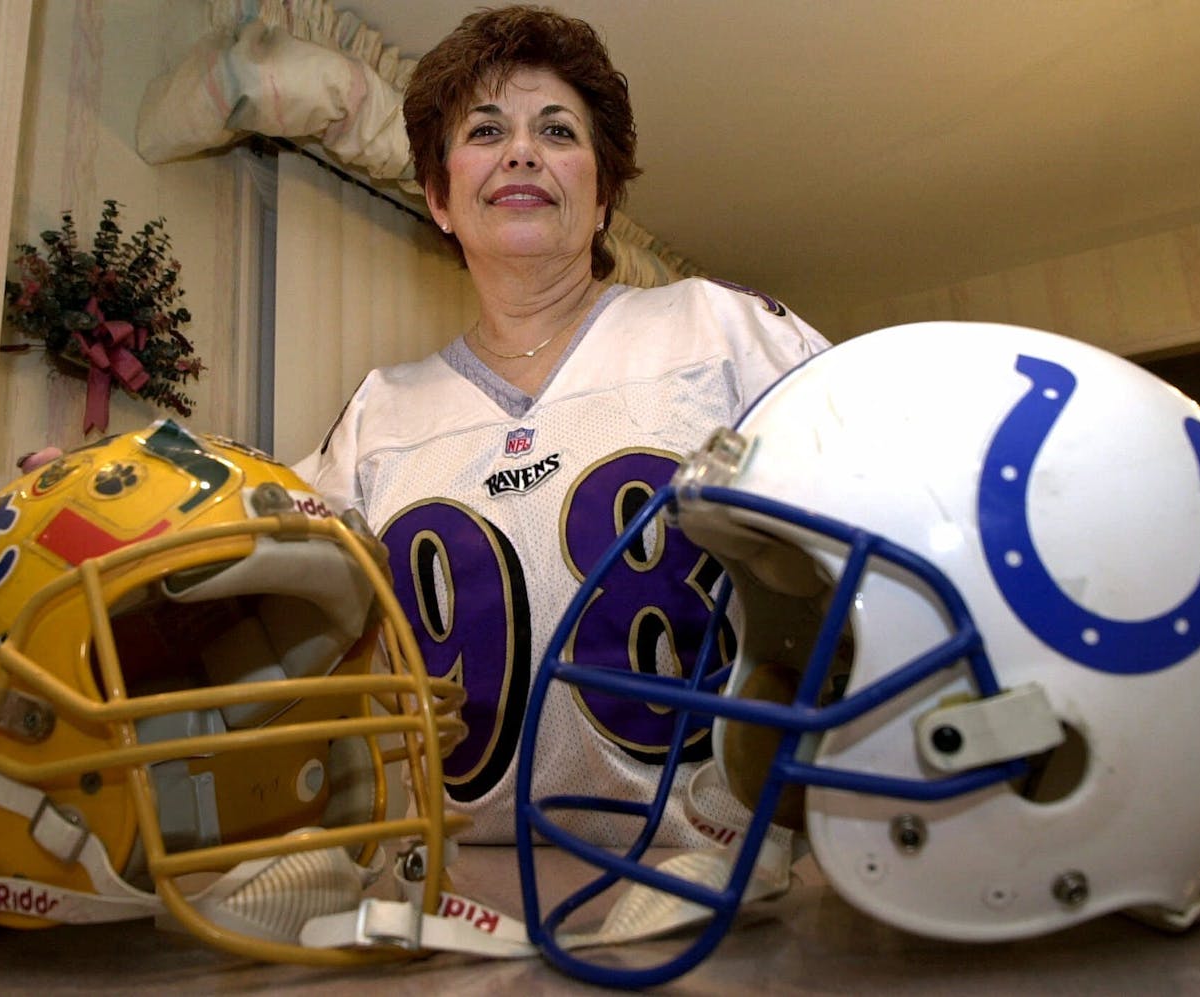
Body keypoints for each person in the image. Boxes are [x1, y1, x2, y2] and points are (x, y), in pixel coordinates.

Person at [295, 4, 830, 845]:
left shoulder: (719, 331)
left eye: (556, 129)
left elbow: (894, 509)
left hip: (717, 881)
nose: (521, 150)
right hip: (453, 899)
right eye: (485, 129)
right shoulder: (378, 414)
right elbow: (263, 574)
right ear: (439, 197)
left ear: (604, 191)